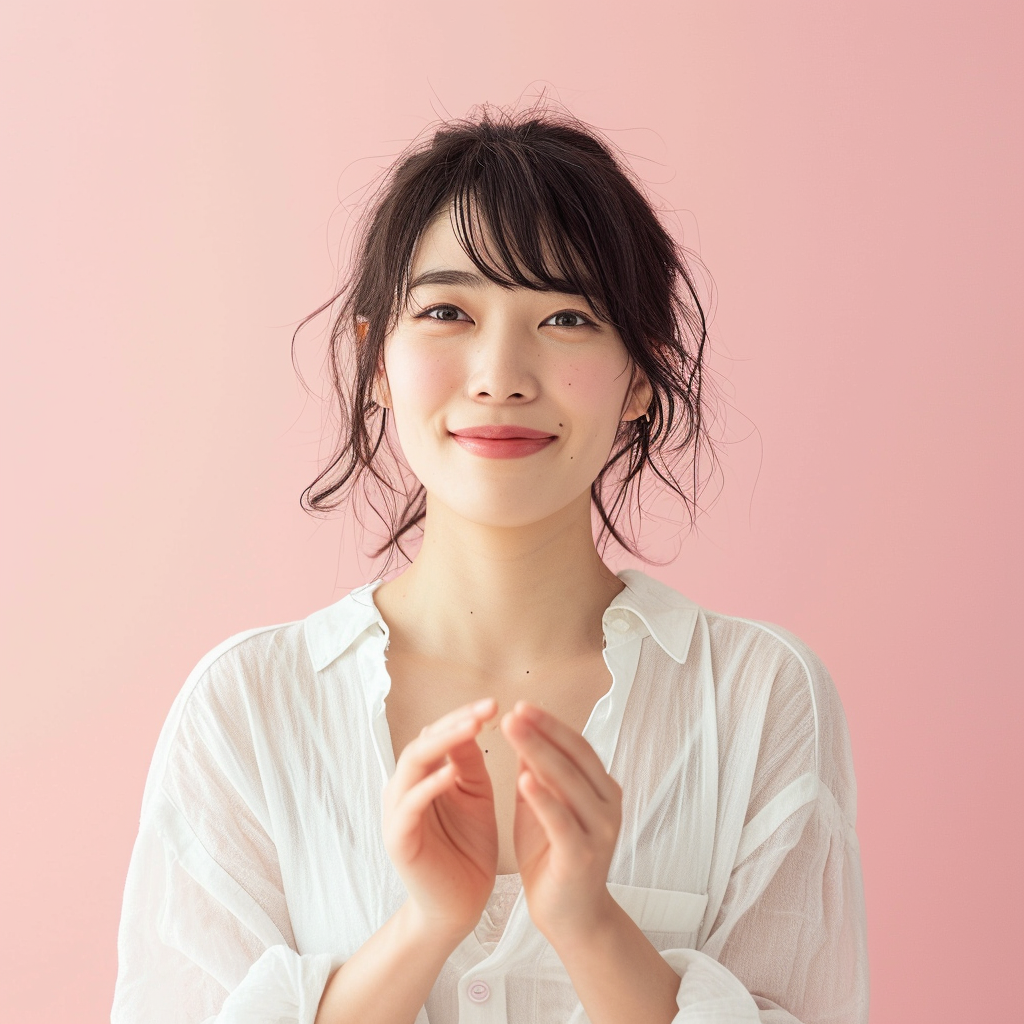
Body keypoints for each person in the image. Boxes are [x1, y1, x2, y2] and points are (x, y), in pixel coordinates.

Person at [111, 101, 869, 1024]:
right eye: (445, 311)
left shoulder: (757, 697)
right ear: (375, 360)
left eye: (565, 317)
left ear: (642, 373)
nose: (501, 373)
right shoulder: (247, 705)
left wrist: (589, 925)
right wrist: (427, 924)